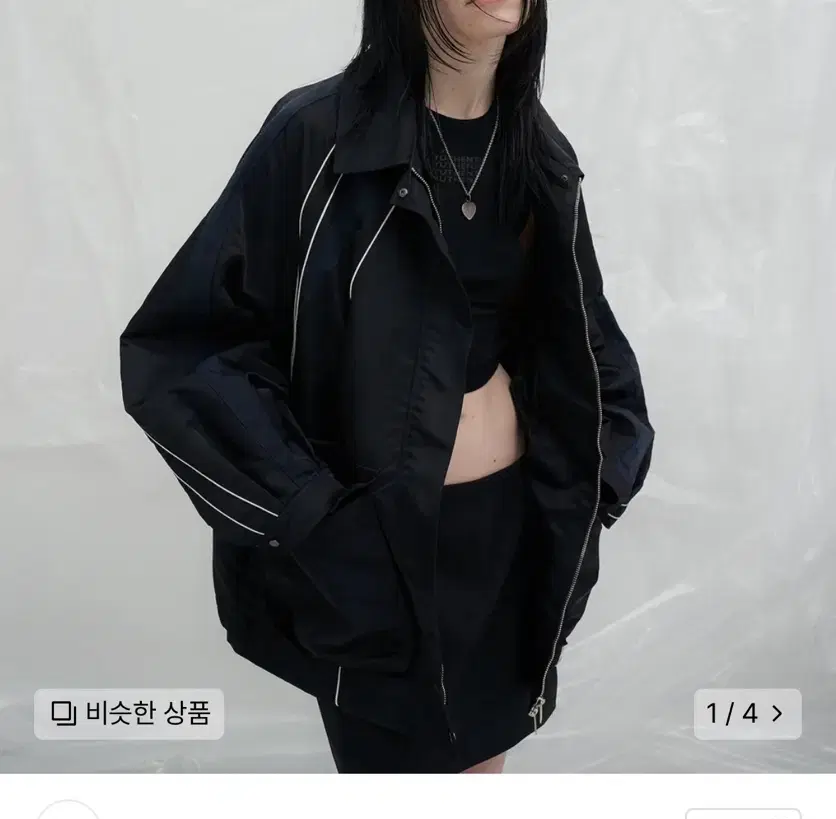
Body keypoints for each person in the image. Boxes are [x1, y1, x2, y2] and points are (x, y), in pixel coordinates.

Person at [119, 0, 654, 774]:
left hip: (509, 537)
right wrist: (313, 516)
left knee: (481, 785)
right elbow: (185, 348)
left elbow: (583, 335)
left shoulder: (536, 151)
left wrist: (600, 475)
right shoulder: (319, 137)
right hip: (380, 551)